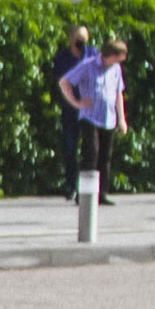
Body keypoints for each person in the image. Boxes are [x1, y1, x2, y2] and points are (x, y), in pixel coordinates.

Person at [58, 38, 129, 205]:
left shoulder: (115, 69)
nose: (119, 62)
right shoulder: (88, 65)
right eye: (118, 58)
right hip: (90, 116)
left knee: (105, 156)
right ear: (109, 55)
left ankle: (101, 193)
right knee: (91, 153)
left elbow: (118, 92)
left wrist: (121, 119)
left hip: (108, 117)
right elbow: (64, 82)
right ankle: (85, 193)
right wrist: (76, 102)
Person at [50, 26, 92, 199]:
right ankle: (71, 186)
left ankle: (90, 188)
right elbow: (58, 82)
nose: (80, 42)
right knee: (70, 147)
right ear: (70, 39)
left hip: (89, 109)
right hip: (70, 108)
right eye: (77, 38)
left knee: (90, 149)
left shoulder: (92, 55)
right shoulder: (61, 58)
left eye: (83, 38)